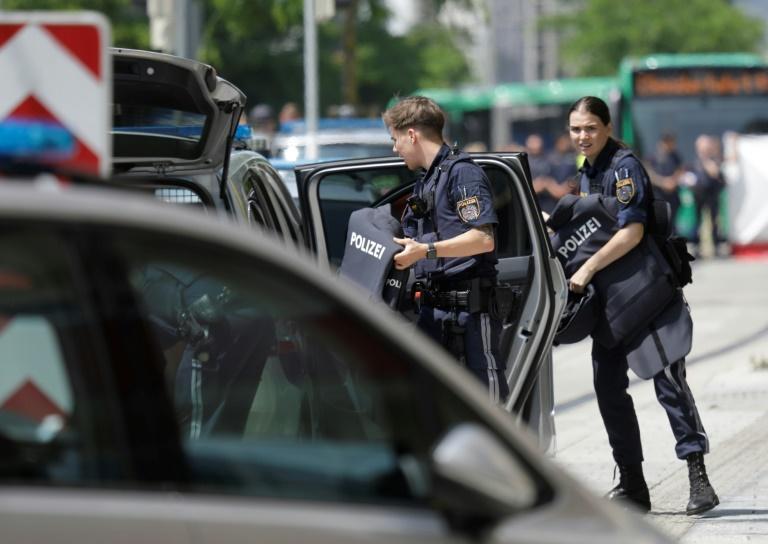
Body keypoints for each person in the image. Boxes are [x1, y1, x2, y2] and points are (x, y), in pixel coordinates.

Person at [567, 96, 718, 515]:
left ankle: (697, 476)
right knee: (607, 389)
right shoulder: (587, 172)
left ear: (607, 126)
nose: (582, 136)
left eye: (590, 128)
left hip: (647, 295)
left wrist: (585, 271)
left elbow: (631, 233)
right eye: (576, 129)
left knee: (669, 383)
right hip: (613, 303)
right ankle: (633, 484)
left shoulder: (623, 167)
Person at [382, 96, 509, 404]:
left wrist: (424, 251)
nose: (394, 148)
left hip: (471, 310)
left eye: (395, 139)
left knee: (486, 406)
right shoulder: (426, 181)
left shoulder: (462, 173)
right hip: (433, 312)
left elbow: (483, 239)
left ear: (411, 134)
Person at [690, 134, 727, 258]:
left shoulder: (714, 160)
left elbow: (717, 174)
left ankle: (716, 246)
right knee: (698, 222)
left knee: (714, 221)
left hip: (712, 195)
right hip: (699, 195)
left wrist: (708, 161)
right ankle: (697, 247)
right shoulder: (694, 161)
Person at [647, 133, 684, 235]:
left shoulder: (675, 156)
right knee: (659, 221)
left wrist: (673, 181)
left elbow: (680, 170)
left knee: (672, 222)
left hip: (673, 195)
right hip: (659, 195)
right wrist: (663, 182)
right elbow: (649, 173)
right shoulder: (653, 157)